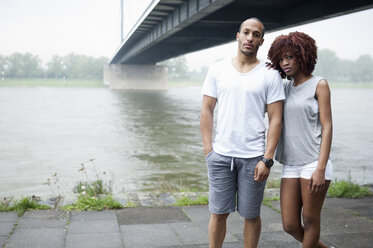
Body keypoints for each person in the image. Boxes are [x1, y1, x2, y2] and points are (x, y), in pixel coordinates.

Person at [200, 17, 285, 248]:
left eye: (255, 34)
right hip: (221, 155)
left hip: (253, 158)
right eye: (246, 32)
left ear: (261, 41)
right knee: (218, 213)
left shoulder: (270, 74)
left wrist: (267, 159)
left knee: (251, 215)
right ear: (237, 36)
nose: (250, 37)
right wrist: (209, 150)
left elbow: (276, 118)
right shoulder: (218, 69)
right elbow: (207, 110)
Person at [267, 32, 333, 248]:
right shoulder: (283, 88)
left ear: (303, 56)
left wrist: (321, 169)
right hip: (291, 164)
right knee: (290, 225)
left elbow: (327, 126)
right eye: (281, 59)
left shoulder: (319, 85)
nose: (285, 63)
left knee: (310, 221)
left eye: (290, 57)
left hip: (314, 162)